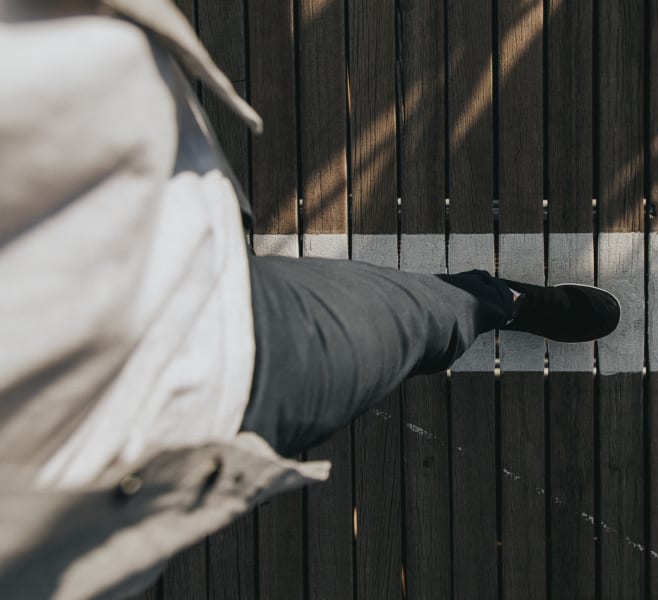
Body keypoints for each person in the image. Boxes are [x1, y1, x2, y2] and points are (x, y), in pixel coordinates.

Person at [0, 0, 619, 597]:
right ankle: (494, 302)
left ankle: (492, 301)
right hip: (207, 382)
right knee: (420, 318)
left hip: (185, 242)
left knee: (423, 313)